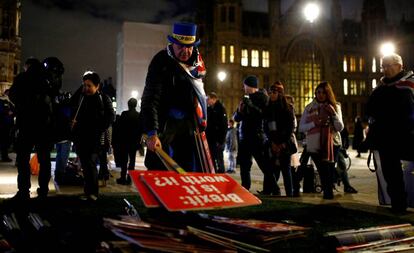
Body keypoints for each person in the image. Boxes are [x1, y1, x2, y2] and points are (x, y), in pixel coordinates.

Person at [141, 22, 210, 172]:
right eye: (181, 46)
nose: (185, 50)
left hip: (189, 127)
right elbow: (150, 98)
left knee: (188, 170)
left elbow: (199, 96)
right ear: (173, 44)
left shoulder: (198, 65)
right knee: (159, 170)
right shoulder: (161, 61)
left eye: (189, 46)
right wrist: (152, 132)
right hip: (165, 125)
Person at [8, 57, 62, 201]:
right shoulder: (47, 79)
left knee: (23, 159)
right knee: (44, 160)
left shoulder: (22, 78)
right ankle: (43, 191)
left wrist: (21, 106)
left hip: (26, 124)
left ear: (27, 66)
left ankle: (24, 191)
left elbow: (12, 95)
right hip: (44, 125)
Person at [366, 53, 414, 213]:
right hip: (387, 138)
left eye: (389, 65)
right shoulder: (379, 89)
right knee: (391, 172)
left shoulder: (410, 84)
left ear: (399, 66)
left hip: (409, 135)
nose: (385, 69)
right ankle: (398, 204)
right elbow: (371, 112)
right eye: (383, 66)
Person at [70, 71, 114, 201]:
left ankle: (93, 192)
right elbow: (72, 106)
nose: (86, 88)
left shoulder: (103, 98)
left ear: (97, 86)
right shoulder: (81, 97)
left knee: (91, 165)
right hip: (81, 138)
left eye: (89, 85)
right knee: (85, 165)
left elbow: (110, 117)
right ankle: (88, 191)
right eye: (84, 85)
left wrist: (99, 127)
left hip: (95, 138)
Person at [299, 82, 344, 200]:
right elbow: (301, 127)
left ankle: (328, 195)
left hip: (332, 144)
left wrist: (333, 113)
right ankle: (328, 195)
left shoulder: (335, 106)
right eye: (318, 92)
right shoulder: (309, 108)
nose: (321, 95)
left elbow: (340, 127)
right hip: (314, 145)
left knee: (328, 171)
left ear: (328, 93)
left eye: (324, 92)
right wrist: (315, 123)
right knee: (323, 172)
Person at [233, 75, 277, 194]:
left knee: (263, 164)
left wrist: (251, 106)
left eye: (245, 85)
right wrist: (239, 111)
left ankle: (274, 188)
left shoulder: (262, 98)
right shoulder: (245, 98)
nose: (244, 88)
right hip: (244, 136)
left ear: (249, 86)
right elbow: (236, 118)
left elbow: (263, 115)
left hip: (256, 136)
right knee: (244, 164)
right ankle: (245, 187)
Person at [264, 82, 295, 197]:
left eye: (274, 92)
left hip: (284, 144)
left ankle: (289, 194)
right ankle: (269, 191)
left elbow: (290, 128)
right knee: (271, 169)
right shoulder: (268, 108)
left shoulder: (287, 108)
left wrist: (282, 143)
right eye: (270, 92)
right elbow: (266, 127)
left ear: (280, 94)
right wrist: (272, 142)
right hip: (272, 143)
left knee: (286, 170)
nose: (271, 94)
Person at [115, 98, 142, 185]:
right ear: (136, 104)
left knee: (124, 160)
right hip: (134, 142)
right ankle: (130, 178)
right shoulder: (139, 115)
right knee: (132, 160)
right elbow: (140, 129)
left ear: (128, 104)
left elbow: (119, 128)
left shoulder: (124, 114)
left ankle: (123, 178)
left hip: (124, 141)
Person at [206, 92, 228, 173]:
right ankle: (214, 173)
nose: (207, 100)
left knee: (219, 158)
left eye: (208, 99)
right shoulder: (210, 109)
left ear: (214, 99)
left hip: (217, 140)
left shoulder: (221, 109)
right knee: (211, 158)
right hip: (211, 139)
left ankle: (221, 174)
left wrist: (221, 140)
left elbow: (224, 126)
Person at [335, 127, 358, 193]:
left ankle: (346, 185)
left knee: (341, 166)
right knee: (342, 166)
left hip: (337, 147)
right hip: (335, 146)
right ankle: (346, 186)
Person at [0, 89, 14, 162]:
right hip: (3, 124)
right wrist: (7, 112)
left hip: (8, 124)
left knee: (6, 141)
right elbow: (1, 111)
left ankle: (5, 156)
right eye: (8, 94)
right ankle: (4, 156)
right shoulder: (1, 101)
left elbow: (14, 109)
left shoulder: (9, 102)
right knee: (3, 141)